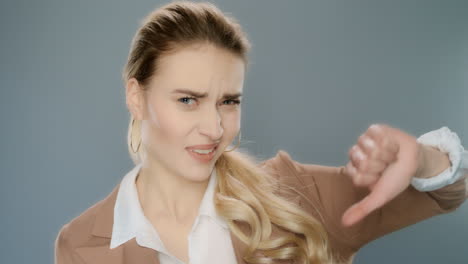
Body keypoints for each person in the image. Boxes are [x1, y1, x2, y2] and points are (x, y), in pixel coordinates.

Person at [54, 1, 468, 264]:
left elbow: (442, 193)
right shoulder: (79, 245)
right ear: (136, 97)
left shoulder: (292, 194)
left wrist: (424, 156)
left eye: (229, 101)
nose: (215, 128)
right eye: (188, 100)